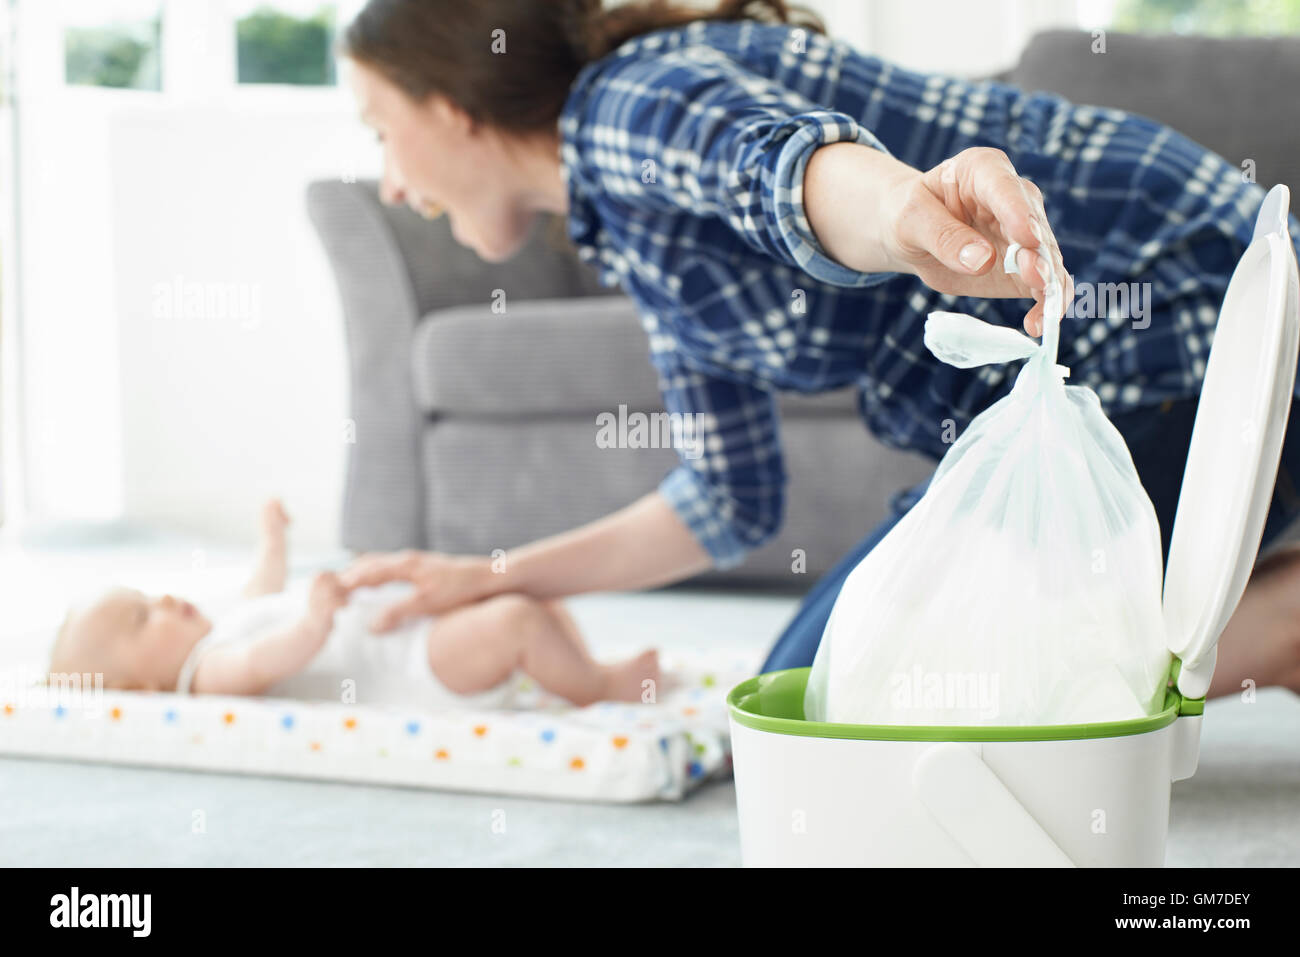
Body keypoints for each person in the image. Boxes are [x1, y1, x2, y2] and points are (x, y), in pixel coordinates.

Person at [337, 0, 1300, 701]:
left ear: (453, 106)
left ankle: (1282, 622)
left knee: (869, 694)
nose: (388, 181)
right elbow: (726, 500)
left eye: (382, 130)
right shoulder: (627, 228)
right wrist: (487, 575)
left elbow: (778, 165)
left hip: (1191, 325)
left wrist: (902, 214)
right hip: (1141, 369)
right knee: (798, 688)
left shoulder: (622, 105)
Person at [47, 501, 659, 708]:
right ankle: (600, 687)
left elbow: (263, 585)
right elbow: (265, 663)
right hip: (417, 670)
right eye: (142, 616)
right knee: (515, 623)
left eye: (150, 594)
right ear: (141, 690)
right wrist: (314, 622)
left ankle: (573, 666)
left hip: (416, 631)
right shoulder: (207, 676)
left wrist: (272, 540)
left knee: (523, 599)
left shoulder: (225, 626)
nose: (167, 599)